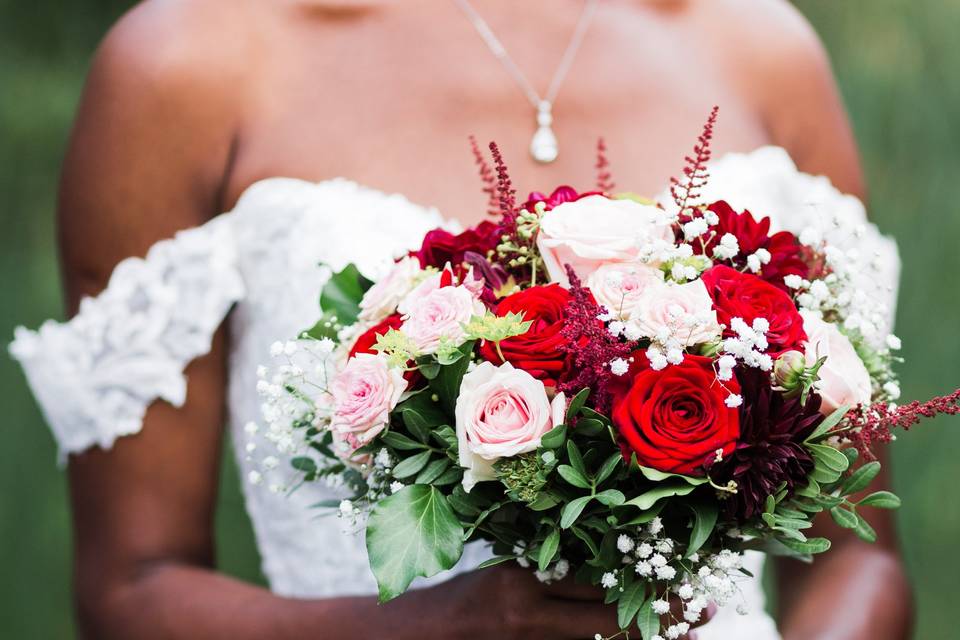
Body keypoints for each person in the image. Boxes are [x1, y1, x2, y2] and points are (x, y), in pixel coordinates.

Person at [11, 1, 911, 638]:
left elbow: (855, 558)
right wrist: (425, 632)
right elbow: (131, 591)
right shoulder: (183, 66)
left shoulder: (760, 46)